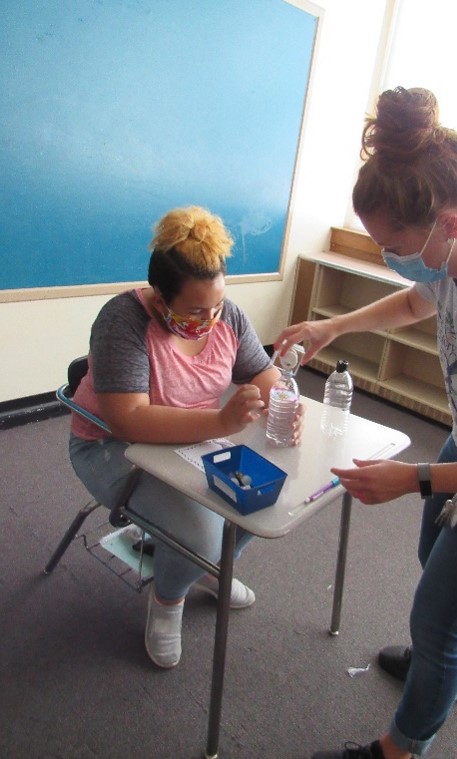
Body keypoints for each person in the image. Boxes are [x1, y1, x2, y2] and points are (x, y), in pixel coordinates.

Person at [274, 87, 457, 759]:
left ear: (447, 225)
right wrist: (333, 325)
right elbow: (415, 299)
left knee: (436, 616)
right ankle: (447, 666)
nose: (386, 252)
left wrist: (415, 478)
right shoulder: (453, 259)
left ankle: (400, 746)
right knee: (432, 566)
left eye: (393, 241)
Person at [69, 205, 301, 669]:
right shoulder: (123, 321)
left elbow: (261, 372)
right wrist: (220, 424)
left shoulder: (227, 316)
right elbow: (128, 421)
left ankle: (210, 567)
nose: (211, 317)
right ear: (159, 296)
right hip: (112, 448)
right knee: (200, 533)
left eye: (217, 304)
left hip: (190, 442)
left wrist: (282, 402)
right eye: (197, 309)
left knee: (270, 493)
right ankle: (169, 596)